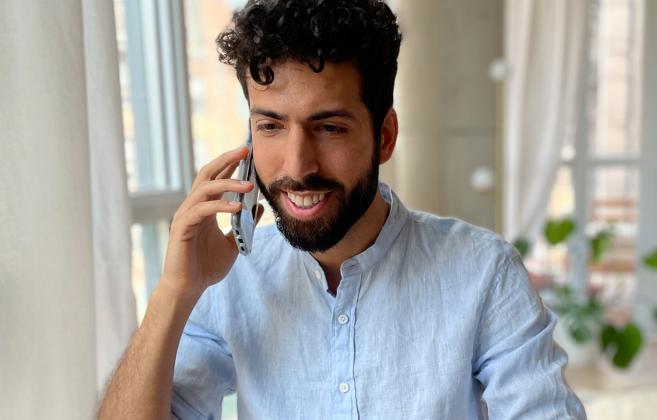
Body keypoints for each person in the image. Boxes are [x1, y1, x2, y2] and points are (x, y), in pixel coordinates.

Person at [98, 0, 586, 418]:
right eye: (270, 126)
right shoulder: (231, 279)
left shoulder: (483, 272)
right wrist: (174, 292)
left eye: (328, 127)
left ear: (385, 136)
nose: (297, 165)